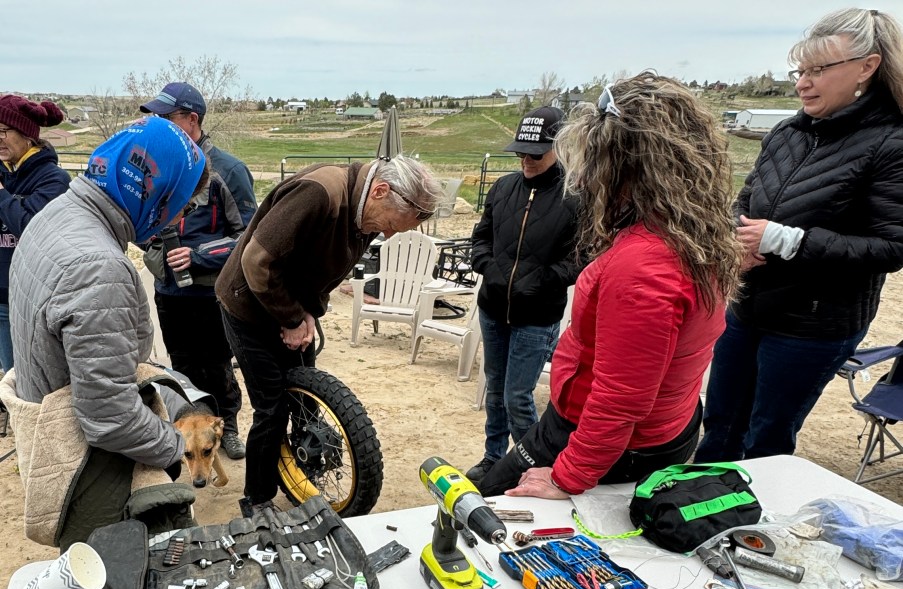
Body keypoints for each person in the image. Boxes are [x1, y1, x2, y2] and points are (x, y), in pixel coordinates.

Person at [477, 74, 743, 500]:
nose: (582, 181)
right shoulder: (693, 232)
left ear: (627, 168)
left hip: (602, 435)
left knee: (485, 499)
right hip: (664, 424)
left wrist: (567, 477)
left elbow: (621, 397)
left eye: (593, 164)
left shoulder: (644, 264)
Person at [696, 7, 903, 462]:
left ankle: (753, 509)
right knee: (720, 424)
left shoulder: (892, 143)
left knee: (765, 440)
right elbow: (744, 201)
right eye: (800, 71)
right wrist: (736, 240)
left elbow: (892, 247)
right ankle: (699, 502)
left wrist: (789, 242)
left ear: (867, 67)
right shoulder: (787, 133)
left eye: (818, 70)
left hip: (812, 325)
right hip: (747, 306)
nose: (802, 83)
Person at [0, 117, 207, 548]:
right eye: (181, 204)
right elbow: (109, 418)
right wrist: (176, 446)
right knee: (128, 572)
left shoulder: (57, 213)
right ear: (155, 191)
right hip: (90, 470)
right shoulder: (98, 268)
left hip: (54, 432)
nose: (177, 218)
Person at [216, 155, 442, 516]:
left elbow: (329, 270)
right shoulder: (318, 193)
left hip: (290, 303)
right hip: (248, 302)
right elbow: (256, 262)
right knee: (272, 406)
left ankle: (300, 475)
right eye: (390, 225)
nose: (386, 235)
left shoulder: (367, 210)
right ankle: (257, 499)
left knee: (306, 398)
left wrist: (308, 313)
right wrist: (292, 318)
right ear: (380, 191)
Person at [139, 82, 257, 461]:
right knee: (183, 368)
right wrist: (156, 249)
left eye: (166, 117)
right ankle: (193, 434)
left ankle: (229, 427)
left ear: (192, 119)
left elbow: (250, 238)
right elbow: (140, 226)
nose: (158, 125)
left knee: (218, 366)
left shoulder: (229, 171)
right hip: (169, 294)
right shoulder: (155, 168)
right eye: (155, 118)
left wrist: (197, 256)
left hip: (213, 294)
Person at [466, 106, 579, 485]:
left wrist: (541, 280)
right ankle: (493, 457)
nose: (527, 161)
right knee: (495, 389)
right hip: (493, 307)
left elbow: (581, 258)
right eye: (521, 153)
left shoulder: (575, 198)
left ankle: (533, 466)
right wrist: (489, 268)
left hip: (537, 315)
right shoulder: (502, 189)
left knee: (517, 396)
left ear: (558, 149)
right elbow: (480, 238)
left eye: (536, 154)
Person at [0, 95, 71, 433]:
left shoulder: (53, 179)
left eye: (5, 131)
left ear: (28, 135)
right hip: (2, 295)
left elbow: (29, 226)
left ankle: (45, 433)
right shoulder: (4, 172)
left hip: (34, 298)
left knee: (36, 381)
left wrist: (2, 196)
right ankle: (17, 422)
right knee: (10, 370)